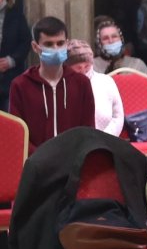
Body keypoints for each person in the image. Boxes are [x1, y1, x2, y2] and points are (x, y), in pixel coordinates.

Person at [8, 17, 95, 151]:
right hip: (35, 164)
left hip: (74, 163)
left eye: (60, 43)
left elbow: (88, 128)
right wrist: (41, 159)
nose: (55, 48)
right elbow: (18, 133)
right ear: (35, 47)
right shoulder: (20, 85)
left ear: (67, 44)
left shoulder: (81, 83)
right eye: (48, 44)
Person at [65, 39, 123, 136]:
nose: (83, 70)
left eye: (87, 66)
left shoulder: (107, 81)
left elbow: (118, 116)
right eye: (78, 67)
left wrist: (105, 137)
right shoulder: (63, 85)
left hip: (107, 140)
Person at [0, 0, 30, 111]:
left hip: (9, 78)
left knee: (10, 119)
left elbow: (25, 41)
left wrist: (11, 60)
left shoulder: (16, 14)